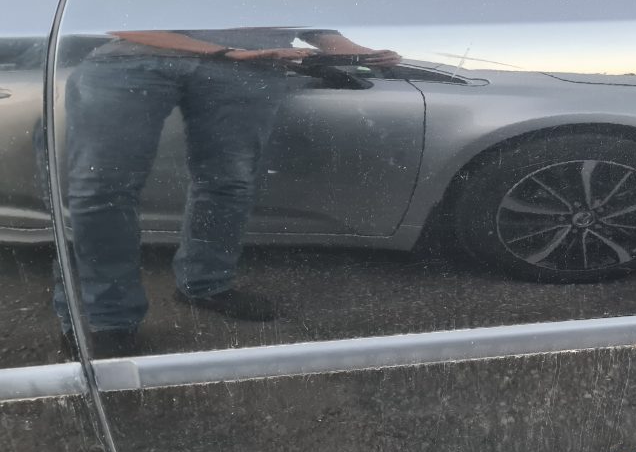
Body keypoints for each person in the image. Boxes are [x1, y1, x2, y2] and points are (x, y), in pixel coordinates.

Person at [59, 27, 399, 356]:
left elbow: (308, 21)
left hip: (248, 67)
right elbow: (117, 19)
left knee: (229, 183)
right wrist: (225, 51)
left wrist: (359, 52)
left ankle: (205, 284)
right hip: (134, 59)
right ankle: (103, 317)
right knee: (102, 189)